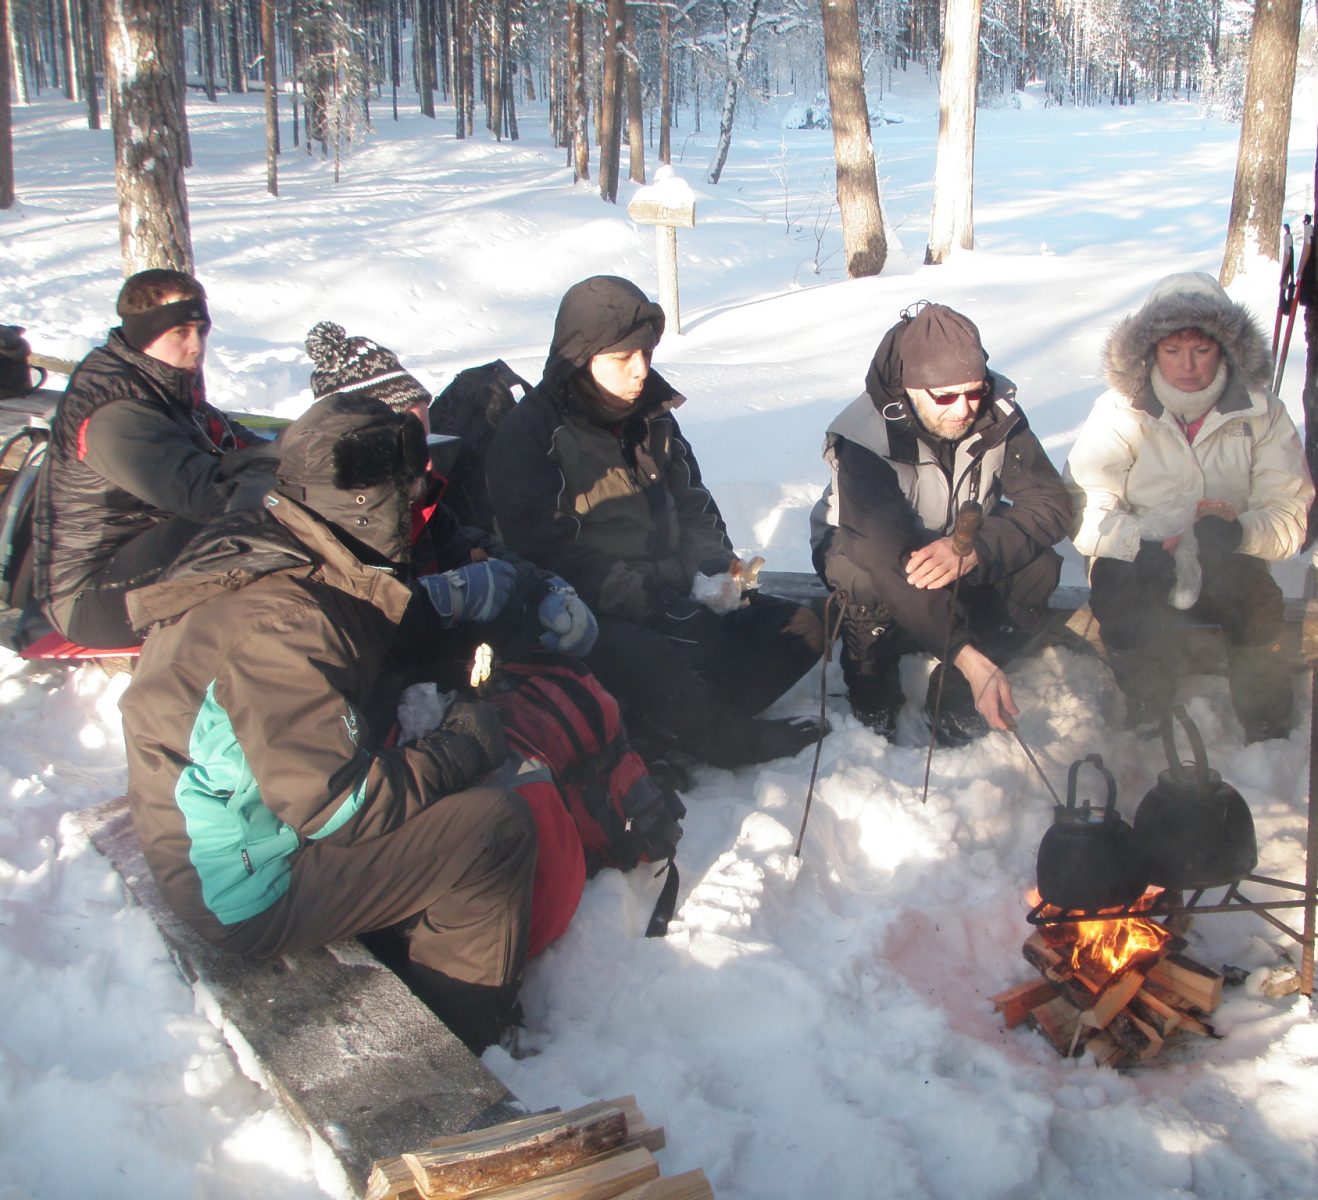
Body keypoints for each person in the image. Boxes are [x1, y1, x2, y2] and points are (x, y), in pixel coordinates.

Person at [119, 393, 537, 1055]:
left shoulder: (281, 542)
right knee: (493, 831)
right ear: (372, 505)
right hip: (246, 884)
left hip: (216, 820)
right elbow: (340, 807)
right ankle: (463, 1035)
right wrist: (460, 748)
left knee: (425, 778)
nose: (419, 507)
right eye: (408, 494)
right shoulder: (287, 625)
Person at [485, 275, 824, 770]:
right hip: (591, 612)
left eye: (646, 353)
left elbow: (692, 503)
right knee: (654, 661)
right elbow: (547, 554)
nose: (641, 371)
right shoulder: (532, 435)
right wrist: (651, 603)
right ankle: (724, 739)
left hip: (677, 594)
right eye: (623, 359)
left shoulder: (653, 416)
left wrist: (714, 570)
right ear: (581, 358)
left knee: (800, 628)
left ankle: (664, 722)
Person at [810, 302, 1078, 743]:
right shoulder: (863, 436)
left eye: (974, 391)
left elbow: (1050, 504)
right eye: (945, 396)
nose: (964, 408)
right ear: (910, 388)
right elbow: (887, 555)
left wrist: (977, 549)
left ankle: (955, 695)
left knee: (1039, 566)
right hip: (866, 546)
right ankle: (871, 680)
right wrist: (966, 655)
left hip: (959, 540)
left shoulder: (998, 414)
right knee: (863, 575)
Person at [1066, 272, 1313, 740]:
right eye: (1172, 351)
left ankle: (1266, 719)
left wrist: (1238, 532)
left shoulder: (1262, 413)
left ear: (1224, 348)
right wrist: (1138, 539)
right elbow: (1084, 501)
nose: (1188, 366)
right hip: (1144, 556)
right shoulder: (1119, 410)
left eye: (1201, 350)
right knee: (1118, 588)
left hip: (1226, 557)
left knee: (1258, 600)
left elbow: (1289, 511)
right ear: (1150, 351)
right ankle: (1146, 698)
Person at [300, 321, 597, 697]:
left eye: (427, 440)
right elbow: (339, 637)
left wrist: (542, 589)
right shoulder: (314, 528)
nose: (428, 463)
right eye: (409, 444)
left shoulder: (420, 509)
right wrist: (433, 600)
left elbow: (471, 550)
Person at [33, 269, 278, 648]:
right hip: (91, 598)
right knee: (251, 525)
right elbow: (204, 495)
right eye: (180, 332)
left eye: (201, 330)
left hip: (140, 551)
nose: (196, 346)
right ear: (145, 333)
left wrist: (304, 455)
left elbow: (236, 442)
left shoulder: (161, 385)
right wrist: (292, 486)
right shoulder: (114, 413)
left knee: (263, 514)